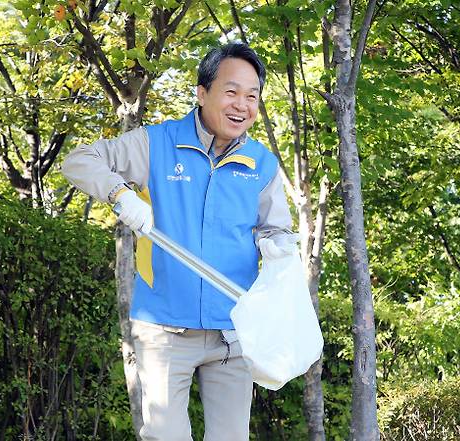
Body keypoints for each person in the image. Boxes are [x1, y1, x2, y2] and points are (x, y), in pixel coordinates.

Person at [61, 42, 295, 441]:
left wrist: (279, 249)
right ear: (202, 93)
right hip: (165, 328)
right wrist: (120, 194)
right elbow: (78, 160)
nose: (242, 105)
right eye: (231, 92)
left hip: (233, 332)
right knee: (165, 435)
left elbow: (276, 230)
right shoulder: (157, 143)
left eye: (252, 96)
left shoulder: (262, 163)